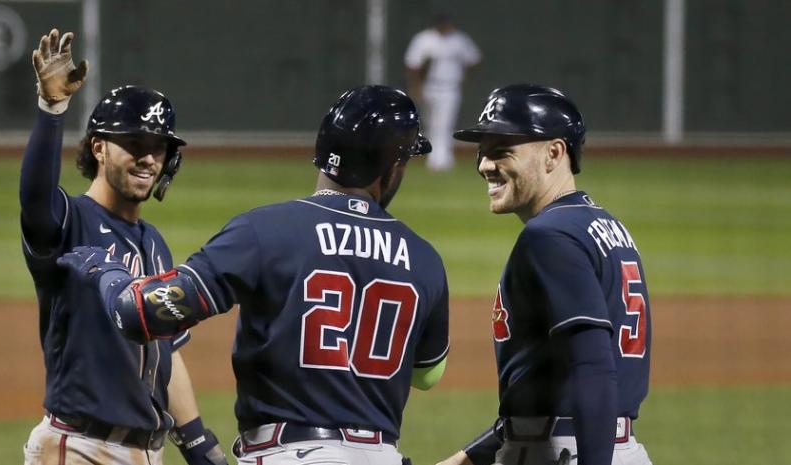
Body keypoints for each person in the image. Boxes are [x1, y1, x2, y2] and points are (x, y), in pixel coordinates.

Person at [58, 85, 451, 465]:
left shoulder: (266, 231)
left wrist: (106, 271)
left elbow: (142, 312)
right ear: (391, 165)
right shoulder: (424, 258)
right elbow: (428, 375)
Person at [20, 28, 227, 465]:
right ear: (99, 148)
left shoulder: (155, 244)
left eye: (158, 147)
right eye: (134, 144)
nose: (149, 158)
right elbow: (35, 197)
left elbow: (166, 351)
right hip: (79, 448)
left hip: (145, 452)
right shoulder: (68, 221)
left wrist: (196, 441)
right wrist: (51, 109)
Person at [436, 84, 654, 465]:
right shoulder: (602, 226)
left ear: (554, 152)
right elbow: (548, 386)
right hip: (605, 445)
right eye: (482, 151)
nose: (485, 165)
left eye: (502, 150)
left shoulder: (549, 236)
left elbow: (593, 368)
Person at [404, 13, 482, 172]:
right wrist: (416, 87)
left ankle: (441, 160)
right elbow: (413, 65)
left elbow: (474, 60)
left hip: (450, 87)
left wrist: (463, 78)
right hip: (429, 86)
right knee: (431, 123)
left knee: (445, 123)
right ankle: (435, 156)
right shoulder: (424, 39)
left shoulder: (459, 40)